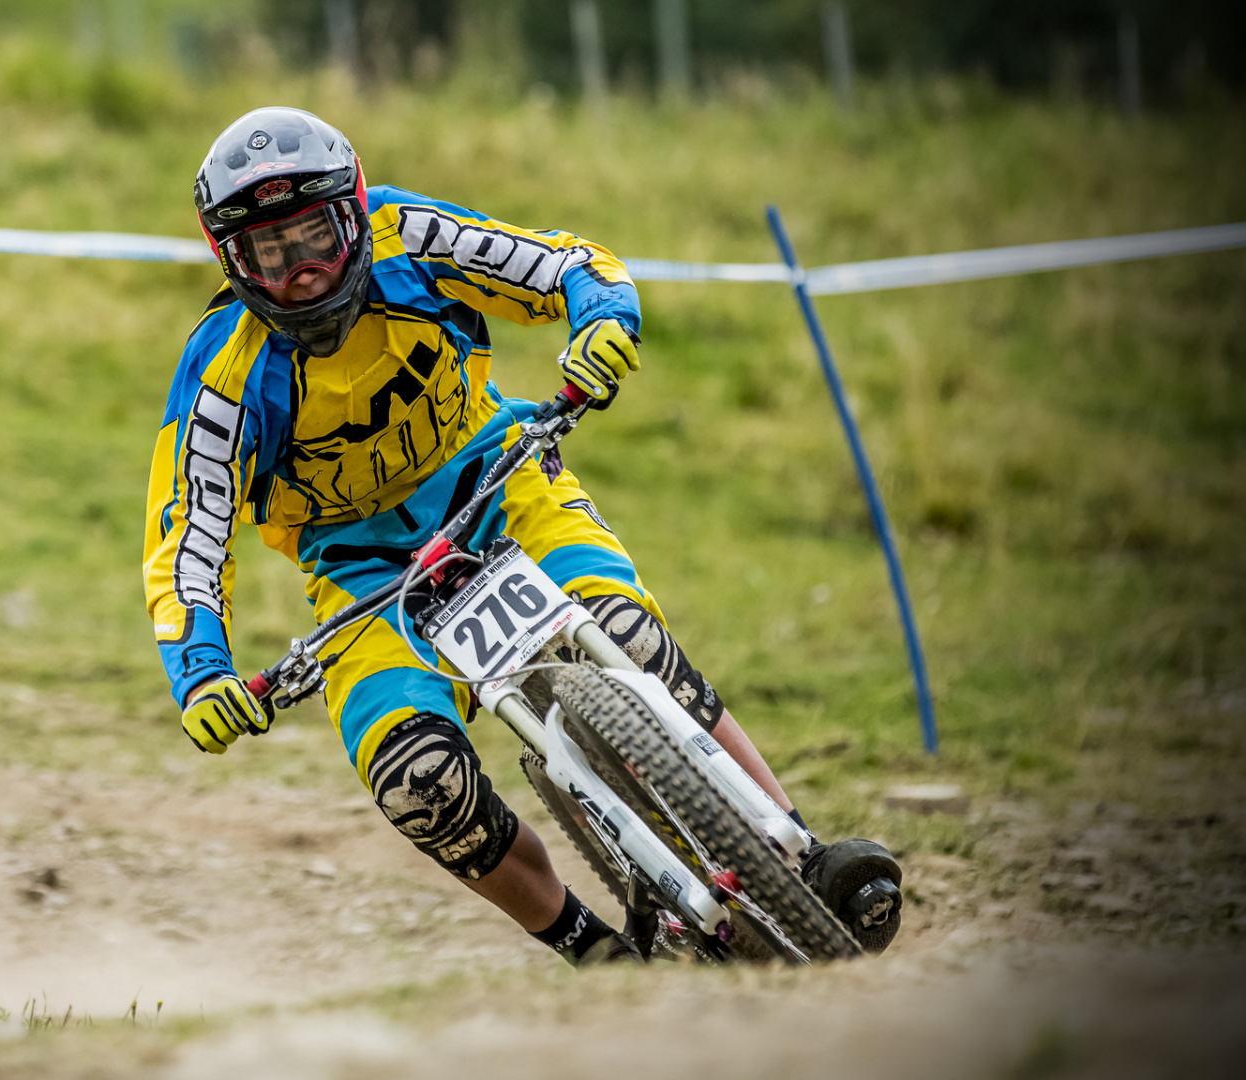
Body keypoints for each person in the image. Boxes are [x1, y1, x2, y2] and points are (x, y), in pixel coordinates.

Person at [143, 106, 902, 965]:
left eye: (316, 235)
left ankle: (802, 850)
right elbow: (187, 542)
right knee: (417, 782)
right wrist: (202, 674)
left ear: (354, 211)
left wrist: (603, 321)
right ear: (232, 261)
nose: (304, 273)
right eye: (270, 255)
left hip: (502, 487)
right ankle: (596, 954)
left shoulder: (412, 236)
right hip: (362, 579)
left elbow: (565, 264)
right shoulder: (221, 378)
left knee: (626, 637)